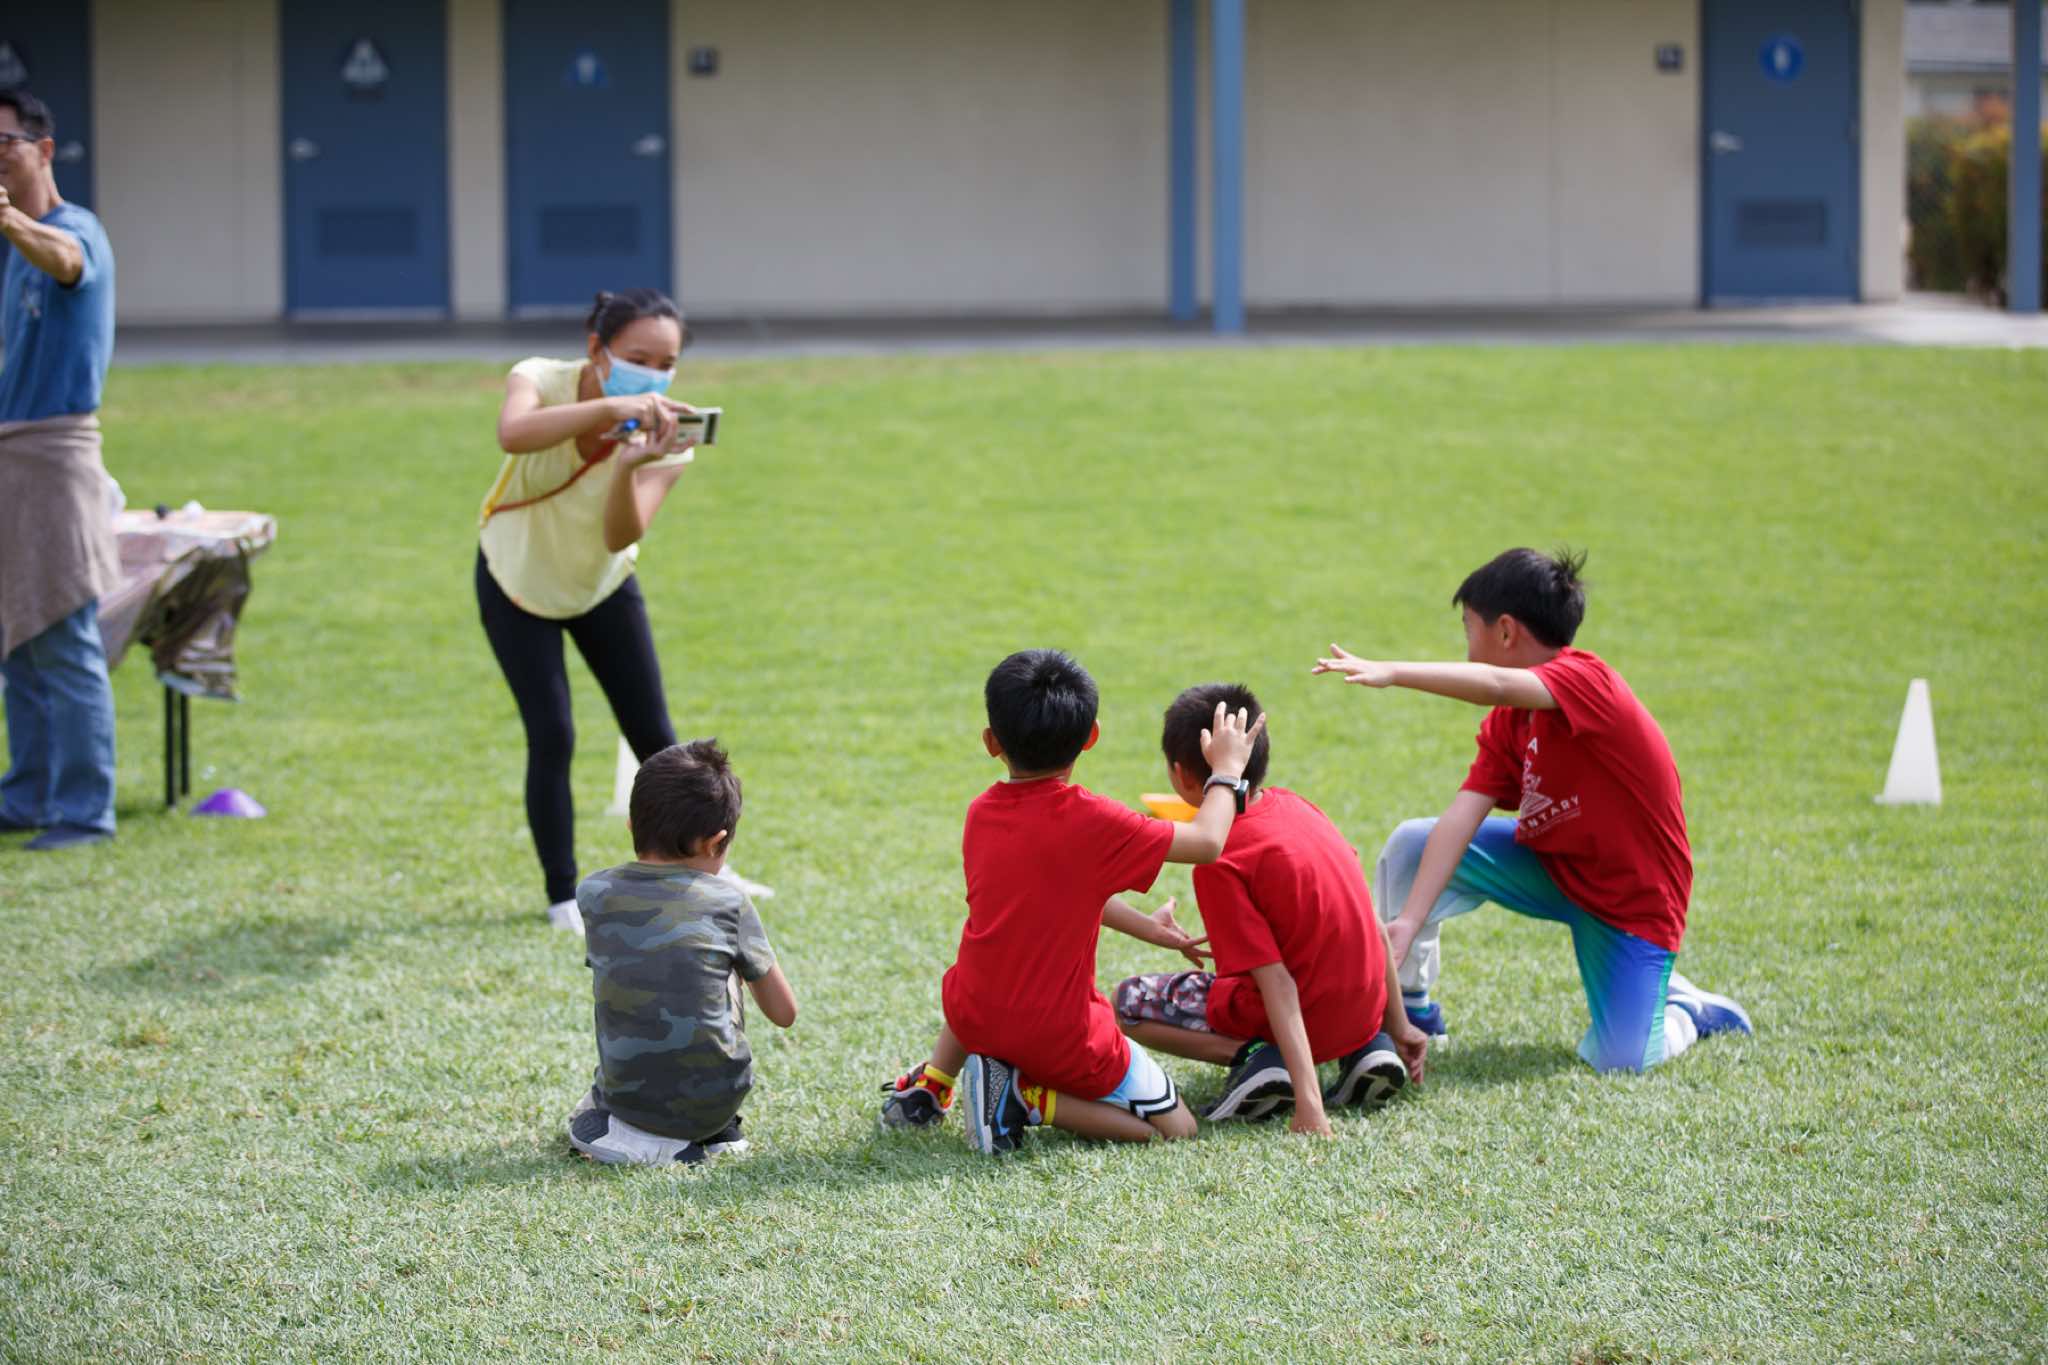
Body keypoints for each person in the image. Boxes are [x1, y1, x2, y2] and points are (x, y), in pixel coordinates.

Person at [1313, 547, 1753, 1074]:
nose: (1467, 649)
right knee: (1415, 841)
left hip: (1629, 901)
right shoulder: (1510, 720)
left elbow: (1495, 684)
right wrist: (1407, 922)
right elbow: (1462, 817)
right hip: (1551, 868)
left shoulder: (1589, 680)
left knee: (1620, 1061)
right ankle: (1412, 1007)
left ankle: (1686, 1010)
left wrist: (1392, 671)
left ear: (1505, 631)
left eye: (1468, 629)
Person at [878, 649, 1265, 1155]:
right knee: (1177, 1129)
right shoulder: (1094, 821)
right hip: (1061, 1038)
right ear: (1092, 736)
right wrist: (1227, 770)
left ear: (991, 742)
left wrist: (1145, 927)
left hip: (971, 1014)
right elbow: (1208, 842)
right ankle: (1024, 1099)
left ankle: (932, 1085)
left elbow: (1051, 894)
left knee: (987, 976)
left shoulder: (981, 813)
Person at [478, 288, 703, 932]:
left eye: (667, 364)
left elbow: (617, 535)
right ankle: (561, 896)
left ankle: (697, 873)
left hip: (601, 583)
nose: (653, 377)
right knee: (553, 734)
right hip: (516, 579)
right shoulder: (539, 378)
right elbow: (513, 433)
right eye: (638, 358)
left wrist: (631, 466)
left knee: (656, 739)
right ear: (596, 348)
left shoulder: (672, 438)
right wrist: (611, 408)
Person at [1110, 682, 1428, 1135]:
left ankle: (1261, 1059)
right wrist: (1401, 1025)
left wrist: (1310, 1106)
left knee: (1129, 1001)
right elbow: (1373, 925)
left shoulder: (1219, 858)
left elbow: (1276, 981)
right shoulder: (1300, 807)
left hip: (1305, 1020)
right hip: (1362, 1013)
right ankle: (1369, 1050)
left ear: (1181, 775)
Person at [567, 739, 797, 1166]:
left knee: (588, 1118)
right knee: (727, 967)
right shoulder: (730, 902)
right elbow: (784, 1013)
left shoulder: (594, 893)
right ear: (716, 843)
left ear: (631, 826)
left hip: (628, 1099)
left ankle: (645, 1140)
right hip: (718, 1102)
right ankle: (716, 1134)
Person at [0, 90, 120, 853]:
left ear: (44, 150)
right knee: (17, 635)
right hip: (13, 455)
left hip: (55, 456)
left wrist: (12, 222)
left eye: (3, 143)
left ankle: (85, 808)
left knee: (66, 633)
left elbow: (68, 263)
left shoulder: (75, 231)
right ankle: (28, 793)